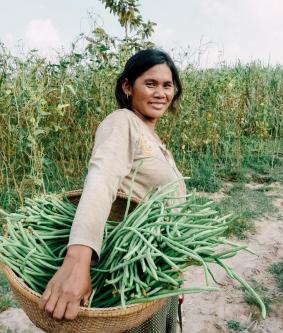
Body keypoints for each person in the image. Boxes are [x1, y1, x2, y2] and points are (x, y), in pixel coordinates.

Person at [39, 48, 186, 332]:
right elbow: (101, 180)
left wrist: (175, 272)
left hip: (157, 272)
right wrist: (77, 260)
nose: (160, 93)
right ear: (128, 86)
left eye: (167, 85)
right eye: (150, 83)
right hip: (132, 277)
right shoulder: (122, 122)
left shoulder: (153, 138)